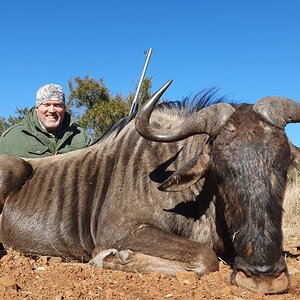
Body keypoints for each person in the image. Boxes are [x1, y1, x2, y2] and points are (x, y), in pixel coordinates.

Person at [0, 83, 91, 158]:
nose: (52, 110)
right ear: (37, 108)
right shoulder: (11, 138)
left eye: (57, 105)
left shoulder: (81, 136)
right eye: (46, 105)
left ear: (64, 108)